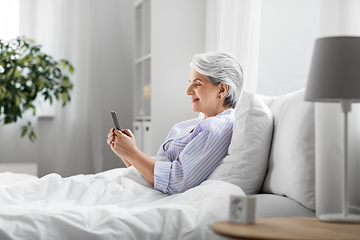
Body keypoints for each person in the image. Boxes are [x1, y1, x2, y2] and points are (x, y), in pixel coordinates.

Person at [107, 52, 243, 194]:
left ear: (222, 89)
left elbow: (175, 182)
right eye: (190, 83)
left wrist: (132, 152)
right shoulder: (185, 126)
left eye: (197, 84)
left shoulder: (219, 127)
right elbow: (151, 177)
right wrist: (125, 152)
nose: (188, 91)